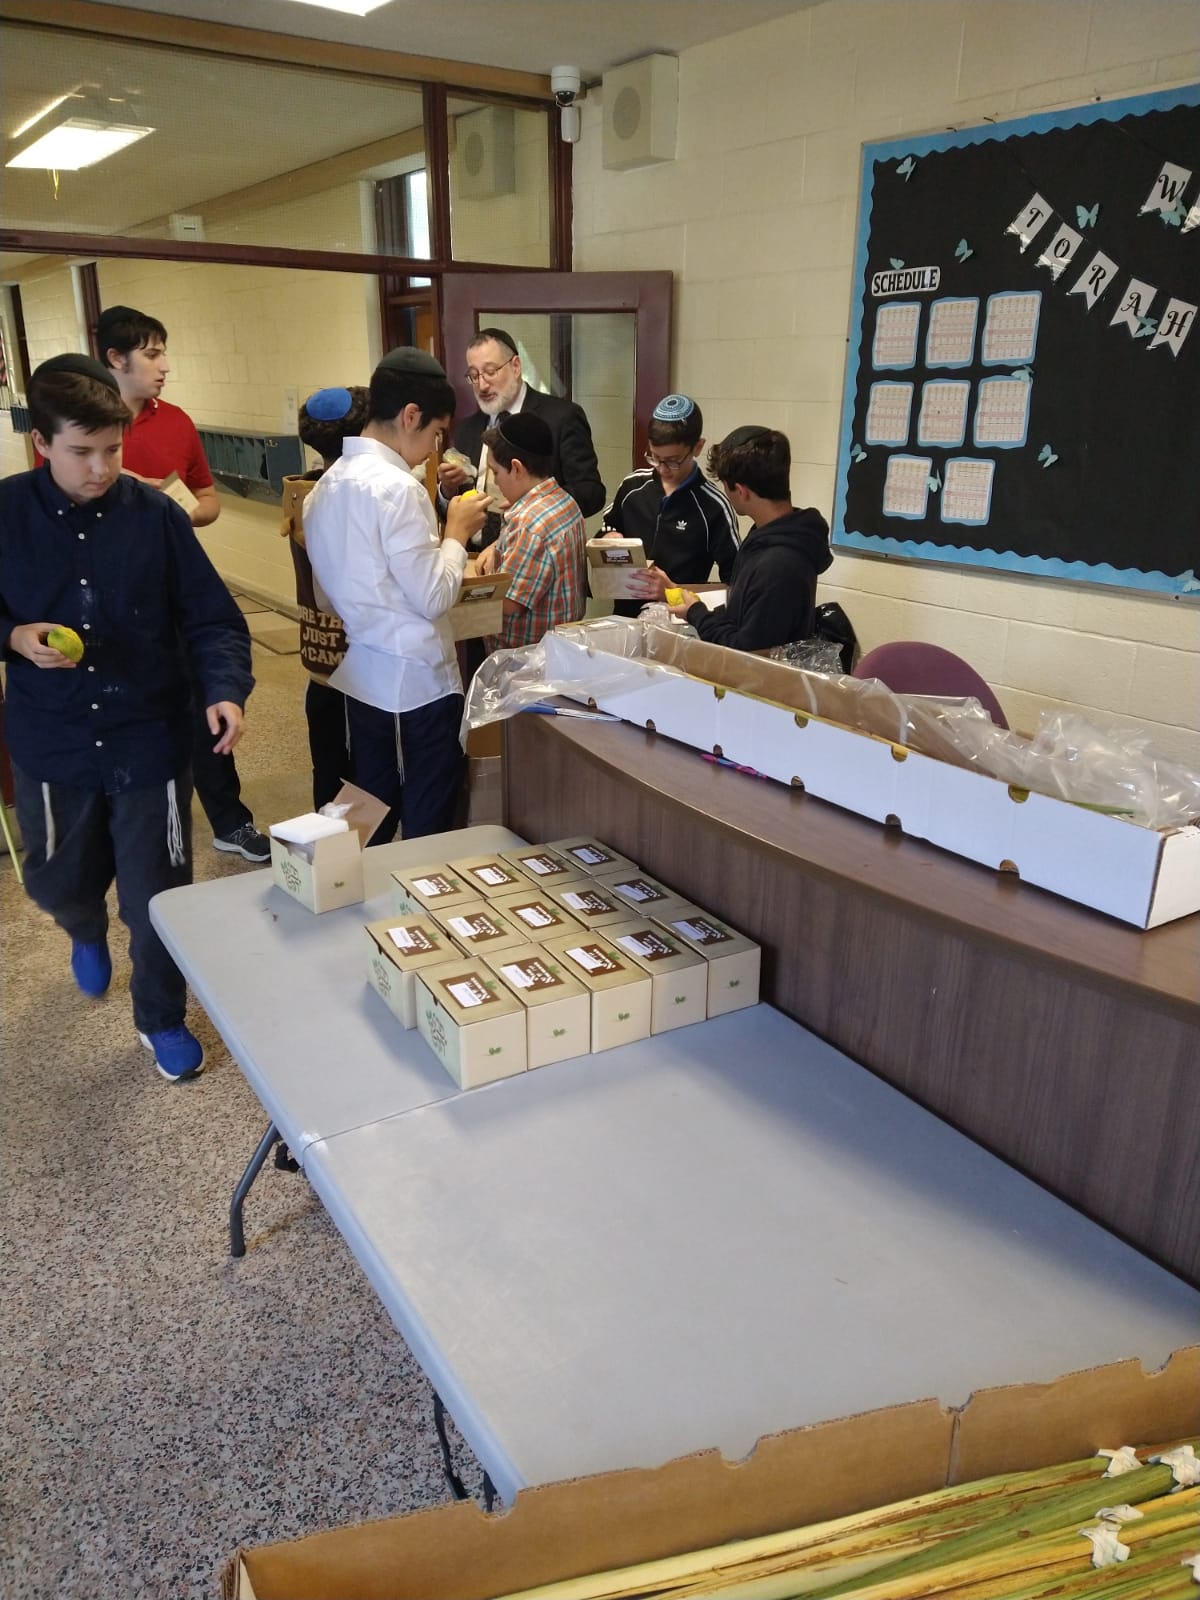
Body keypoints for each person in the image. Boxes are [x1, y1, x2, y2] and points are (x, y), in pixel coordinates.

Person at [0, 355, 253, 1081]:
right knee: (58, 880)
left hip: (149, 736)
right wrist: (13, 637)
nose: (102, 468)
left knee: (158, 899)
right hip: (53, 741)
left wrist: (224, 689)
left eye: (112, 449)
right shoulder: (6, 513)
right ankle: (82, 924)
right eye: (82, 451)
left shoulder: (156, 517)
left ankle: (160, 1017)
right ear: (41, 442)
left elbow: (213, 620)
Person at [97, 303, 269, 865]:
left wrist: (176, 511)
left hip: (173, 583)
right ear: (115, 358)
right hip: (107, 594)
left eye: (164, 353)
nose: (164, 365)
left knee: (204, 699)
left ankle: (229, 820)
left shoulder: (175, 421)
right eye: (152, 355)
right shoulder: (86, 424)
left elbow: (209, 501)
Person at [303, 348, 487, 844]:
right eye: (435, 433)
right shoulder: (399, 489)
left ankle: (369, 893)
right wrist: (456, 533)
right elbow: (433, 597)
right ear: (409, 416)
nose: (433, 449)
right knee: (427, 817)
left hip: (364, 672)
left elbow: (326, 598)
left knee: (371, 810)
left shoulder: (323, 488)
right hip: (416, 685)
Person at [634, 426, 832, 652]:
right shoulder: (768, 536)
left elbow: (746, 651)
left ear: (741, 491)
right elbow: (740, 612)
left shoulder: (778, 564)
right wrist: (676, 592)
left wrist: (696, 614)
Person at [278, 385, 371, 809]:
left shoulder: (302, 489)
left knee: (327, 762)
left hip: (318, 652)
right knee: (359, 768)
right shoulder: (349, 496)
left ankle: (328, 828)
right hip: (354, 658)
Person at [436, 327, 605, 540]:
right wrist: (448, 490)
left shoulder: (561, 418)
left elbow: (591, 493)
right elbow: (451, 514)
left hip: (534, 548)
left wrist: (533, 506)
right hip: (474, 555)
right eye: (474, 375)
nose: (482, 385)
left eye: (490, 372)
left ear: (515, 366)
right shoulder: (466, 429)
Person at [600, 393, 740, 618]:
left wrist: (671, 592)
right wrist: (608, 537)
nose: (662, 468)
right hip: (624, 621)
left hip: (680, 626)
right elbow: (607, 526)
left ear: (697, 447)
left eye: (673, 461)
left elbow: (735, 587)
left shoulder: (713, 506)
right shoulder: (632, 487)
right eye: (654, 457)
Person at [475, 413, 587, 651]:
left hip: (526, 659)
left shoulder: (530, 524)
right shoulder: (564, 500)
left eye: (495, 472)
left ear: (516, 468)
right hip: (560, 648)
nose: (495, 482)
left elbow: (509, 602)